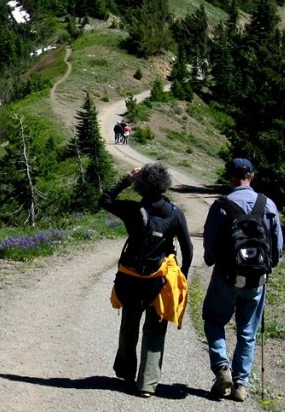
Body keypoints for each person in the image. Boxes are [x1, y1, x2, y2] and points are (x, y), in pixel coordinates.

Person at [100, 163, 192, 398]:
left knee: (129, 324)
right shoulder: (174, 212)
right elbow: (188, 249)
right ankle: (147, 385)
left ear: (141, 187)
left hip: (130, 277)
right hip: (159, 279)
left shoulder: (132, 209)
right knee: (155, 329)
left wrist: (126, 180)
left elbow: (105, 200)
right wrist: (183, 273)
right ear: (164, 184)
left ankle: (125, 371)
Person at [202, 158, 284, 402]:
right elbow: (277, 248)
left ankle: (221, 367)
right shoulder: (268, 204)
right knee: (247, 332)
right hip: (257, 279)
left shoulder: (222, 205)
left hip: (226, 276)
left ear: (230, 177)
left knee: (214, 320)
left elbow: (210, 244)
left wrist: (211, 259)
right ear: (252, 176)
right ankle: (241, 385)